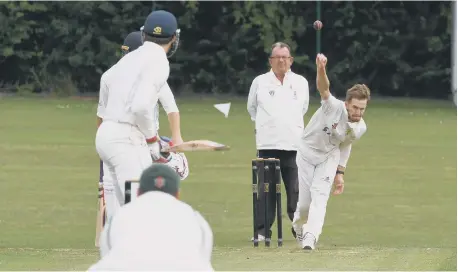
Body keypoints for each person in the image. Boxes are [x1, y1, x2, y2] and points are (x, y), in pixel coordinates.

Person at [95, 10, 182, 220]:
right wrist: (153, 140)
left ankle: (117, 250)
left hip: (106, 136)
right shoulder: (159, 61)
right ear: (174, 38)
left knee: (121, 213)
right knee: (140, 211)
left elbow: (110, 82)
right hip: (128, 140)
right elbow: (141, 107)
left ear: (144, 34)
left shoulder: (130, 58)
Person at [292, 53, 370, 250]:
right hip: (307, 152)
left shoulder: (360, 127)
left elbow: (345, 145)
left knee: (320, 198)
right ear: (346, 104)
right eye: (355, 108)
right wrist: (321, 68)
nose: (358, 113)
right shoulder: (332, 107)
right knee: (303, 206)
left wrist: (340, 174)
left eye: (362, 109)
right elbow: (323, 88)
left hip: (329, 157)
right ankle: (298, 225)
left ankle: (311, 237)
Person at [88, 164, 213, 271]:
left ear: (137, 192)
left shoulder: (118, 216)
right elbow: (203, 258)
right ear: (177, 194)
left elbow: (107, 253)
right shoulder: (195, 218)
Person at [247, 42, 310, 241]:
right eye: (277, 57)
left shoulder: (300, 82)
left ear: (291, 60)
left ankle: (299, 229)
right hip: (267, 145)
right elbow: (252, 108)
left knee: (295, 190)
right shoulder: (260, 81)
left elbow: (304, 108)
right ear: (271, 61)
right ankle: (262, 231)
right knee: (266, 192)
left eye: (285, 57)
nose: (281, 60)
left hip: (294, 145)